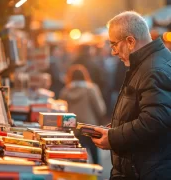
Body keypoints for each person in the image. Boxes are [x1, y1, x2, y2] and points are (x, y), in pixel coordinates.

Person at [91, 11, 171, 180]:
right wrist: (117, 128)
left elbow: (154, 121)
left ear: (130, 41)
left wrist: (113, 137)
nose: (113, 52)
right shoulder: (149, 63)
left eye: (114, 45)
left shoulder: (152, 69)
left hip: (145, 172)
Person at [59, 64, 106, 164]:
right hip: (90, 126)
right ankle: (95, 173)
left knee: (77, 156)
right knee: (94, 153)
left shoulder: (65, 91)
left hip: (73, 127)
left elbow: (61, 110)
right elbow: (101, 109)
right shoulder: (91, 89)